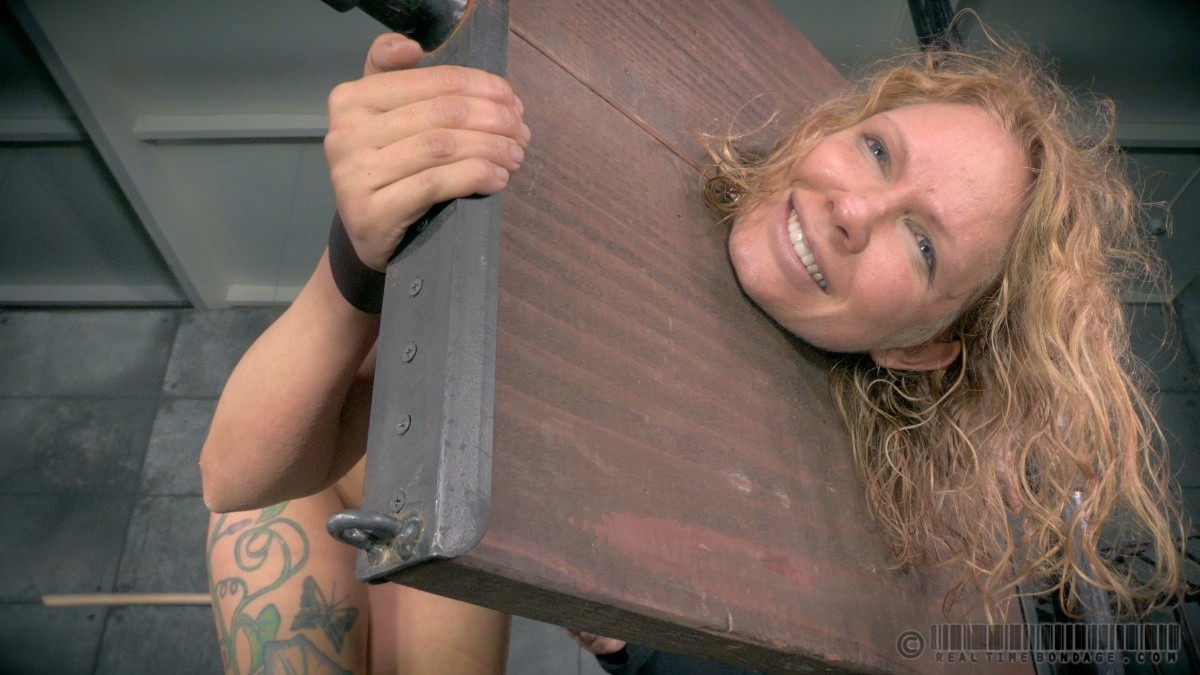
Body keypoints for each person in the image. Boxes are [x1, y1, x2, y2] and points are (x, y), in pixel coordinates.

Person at [201, 16, 1186, 672]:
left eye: (922, 245)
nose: (854, 208)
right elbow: (242, 474)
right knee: (333, 494)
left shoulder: (843, 560)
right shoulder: (630, 200)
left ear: (923, 351)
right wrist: (361, 256)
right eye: (877, 149)